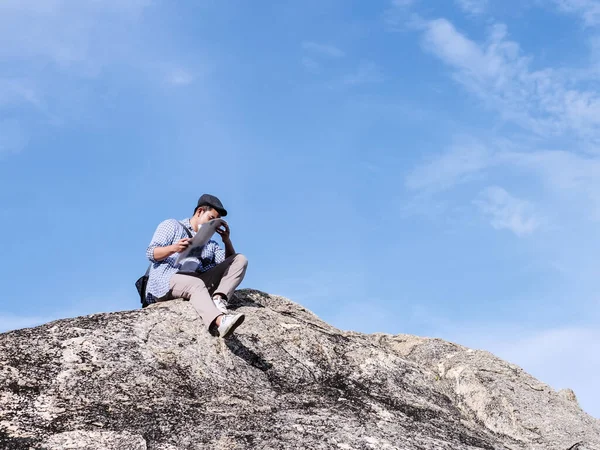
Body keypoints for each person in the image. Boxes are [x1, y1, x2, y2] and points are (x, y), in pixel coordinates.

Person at [145, 194, 248, 338]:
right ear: (200, 212)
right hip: (167, 279)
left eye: (216, 222)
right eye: (211, 219)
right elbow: (151, 253)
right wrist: (174, 248)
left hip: (195, 281)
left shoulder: (211, 244)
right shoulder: (172, 225)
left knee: (240, 259)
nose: (213, 224)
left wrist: (226, 241)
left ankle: (218, 299)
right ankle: (220, 321)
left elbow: (228, 265)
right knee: (195, 283)